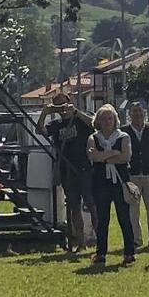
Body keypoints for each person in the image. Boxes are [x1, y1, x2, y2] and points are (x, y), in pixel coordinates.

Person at [36, 92, 94, 252]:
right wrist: (44, 113)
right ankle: (81, 242)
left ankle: (100, 239)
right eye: (58, 105)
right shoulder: (55, 125)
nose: (62, 108)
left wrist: (75, 111)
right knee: (74, 206)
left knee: (91, 203)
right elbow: (39, 131)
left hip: (84, 167)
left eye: (63, 104)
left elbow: (94, 124)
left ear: (69, 102)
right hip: (67, 170)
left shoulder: (79, 119)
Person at [87, 104, 137, 266]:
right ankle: (101, 253)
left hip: (120, 181)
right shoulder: (93, 138)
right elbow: (93, 157)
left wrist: (105, 158)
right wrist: (114, 153)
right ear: (98, 121)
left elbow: (125, 157)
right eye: (104, 118)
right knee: (102, 218)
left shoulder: (123, 137)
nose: (107, 121)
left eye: (110, 118)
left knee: (124, 216)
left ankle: (129, 252)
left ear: (115, 120)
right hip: (100, 182)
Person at [122, 102, 149, 248]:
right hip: (132, 175)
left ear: (144, 113)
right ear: (130, 114)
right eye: (134, 111)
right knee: (133, 211)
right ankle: (136, 239)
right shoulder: (124, 131)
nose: (137, 114)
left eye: (139, 111)